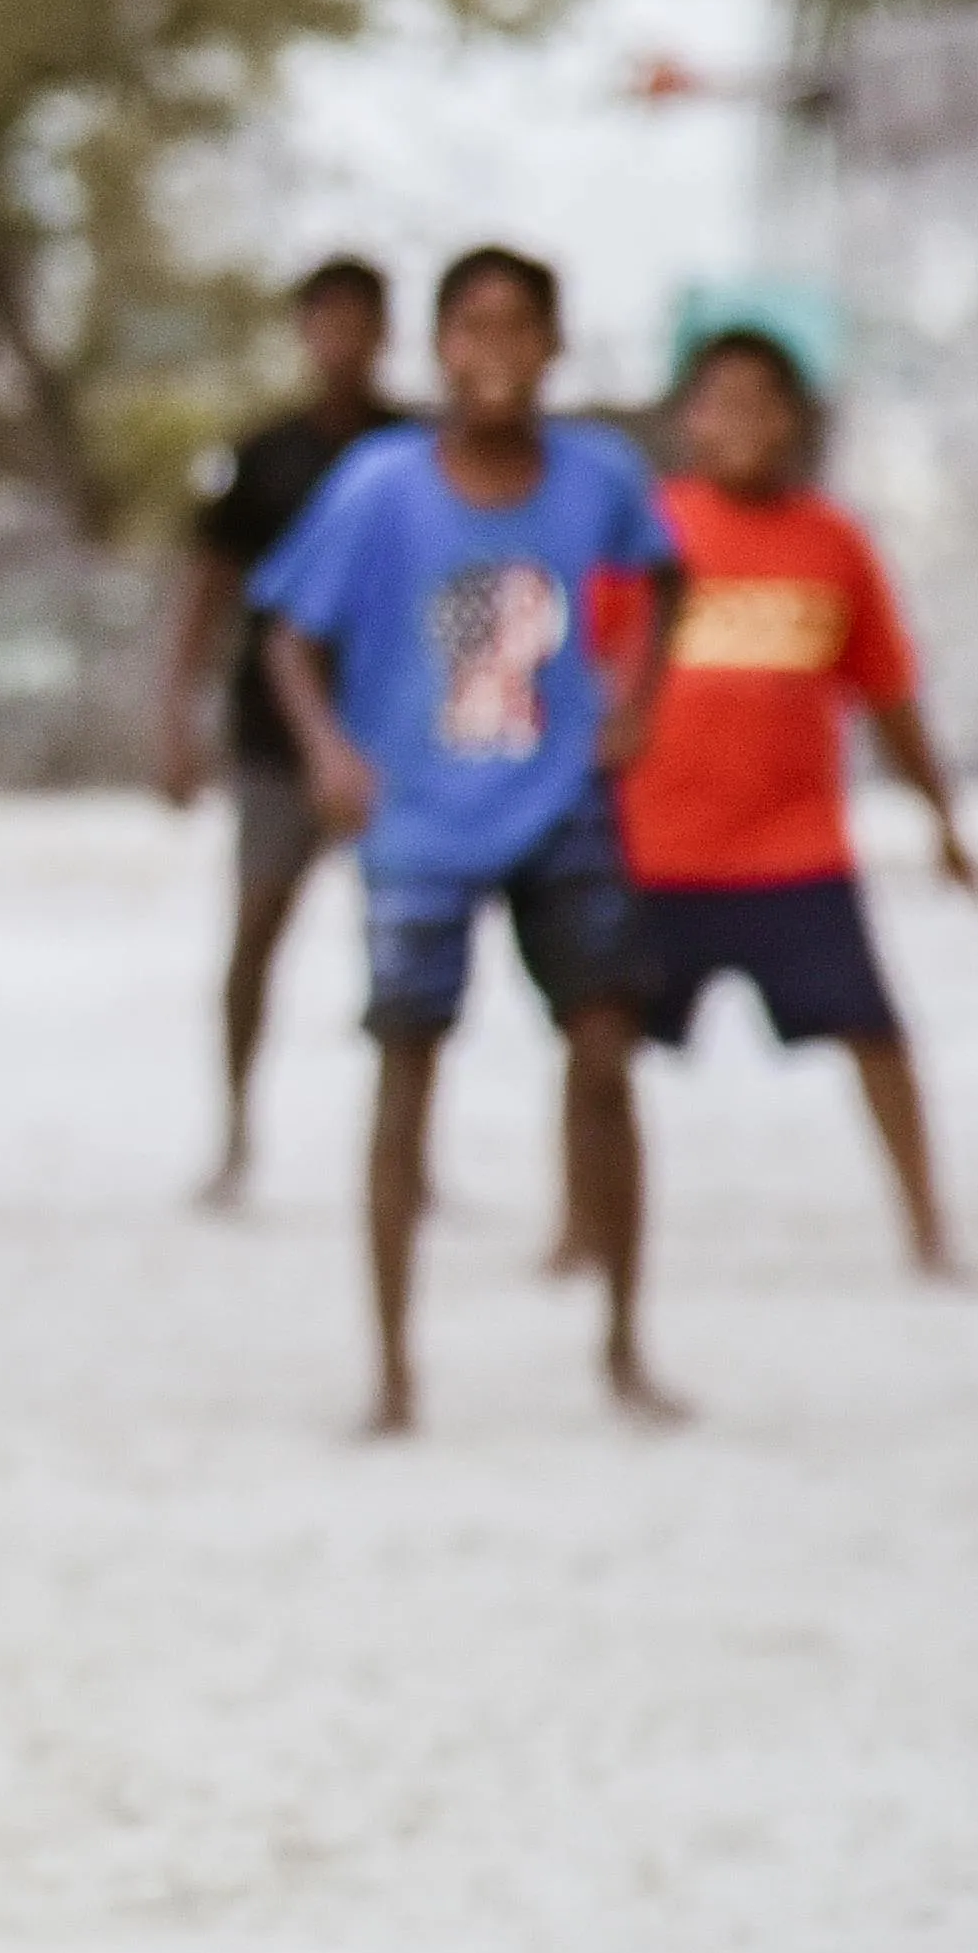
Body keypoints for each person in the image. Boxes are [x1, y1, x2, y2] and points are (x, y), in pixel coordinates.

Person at [250, 247, 686, 1437]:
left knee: (605, 1052)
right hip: (419, 824)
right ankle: (393, 1370)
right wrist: (332, 753)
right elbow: (287, 632)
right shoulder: (382, 486)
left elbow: (660, 574)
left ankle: (624, 1340)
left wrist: (635, 694)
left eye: (518, 329)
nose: (493, 355)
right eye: (470, 329)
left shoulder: (595, 474)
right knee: (404, 1070)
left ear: (552, 347)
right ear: (438, 345)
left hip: (559, 804)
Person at [606, 325, 978, 1275]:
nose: (740, 423)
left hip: (795, 854)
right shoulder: (646, 536)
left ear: (794, 423)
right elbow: (582, 684)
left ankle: (927, 1228)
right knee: (600, 1043)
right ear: (688, 420)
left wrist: (943, 822)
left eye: (761, 403)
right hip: (658, 852)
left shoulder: (833, 544)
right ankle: (583, 1230)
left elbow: (889, 698)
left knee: (876, 1033)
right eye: (719, 401)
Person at [154, 257, 408, 1205]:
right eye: (326, 322)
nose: (341, 341)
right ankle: (235, 1135)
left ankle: (404, 1154)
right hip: (272, 736)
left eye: (358, 322)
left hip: (395, 738)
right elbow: (208, 592)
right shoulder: (261, 459)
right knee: (256, 933)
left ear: (385, 332)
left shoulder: (418, 451)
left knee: (410, 949)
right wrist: (175, 716)